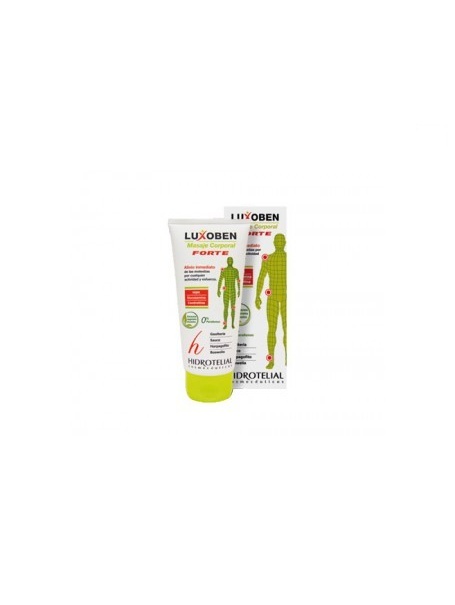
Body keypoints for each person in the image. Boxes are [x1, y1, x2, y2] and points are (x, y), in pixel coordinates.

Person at [255, 233, 287, 369]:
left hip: (286, 296)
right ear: (274, 243)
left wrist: (257, 296)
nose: (279, 243)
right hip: (273, 297)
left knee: (287, 329)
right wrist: (257, 295)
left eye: (281, 241)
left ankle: (287, 359)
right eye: (277, 241)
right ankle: (271, 360)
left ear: (284, 242)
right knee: (272, 330)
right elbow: (261, 277)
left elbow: (261, 278)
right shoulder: (268, 259)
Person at [217, 257, 240, 329]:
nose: (230, 261)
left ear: (233, 261)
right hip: (226, 292)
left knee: (233, 308)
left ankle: (232, 324)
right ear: (227, 261)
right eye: (229, 260)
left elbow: (238, 280)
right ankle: (225, 324)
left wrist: (239, 290)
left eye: (231, 260)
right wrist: (218, 289)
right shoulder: (223, 270)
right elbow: (220, 279)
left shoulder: (236, 270)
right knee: (225, 308)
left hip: (233, 291)